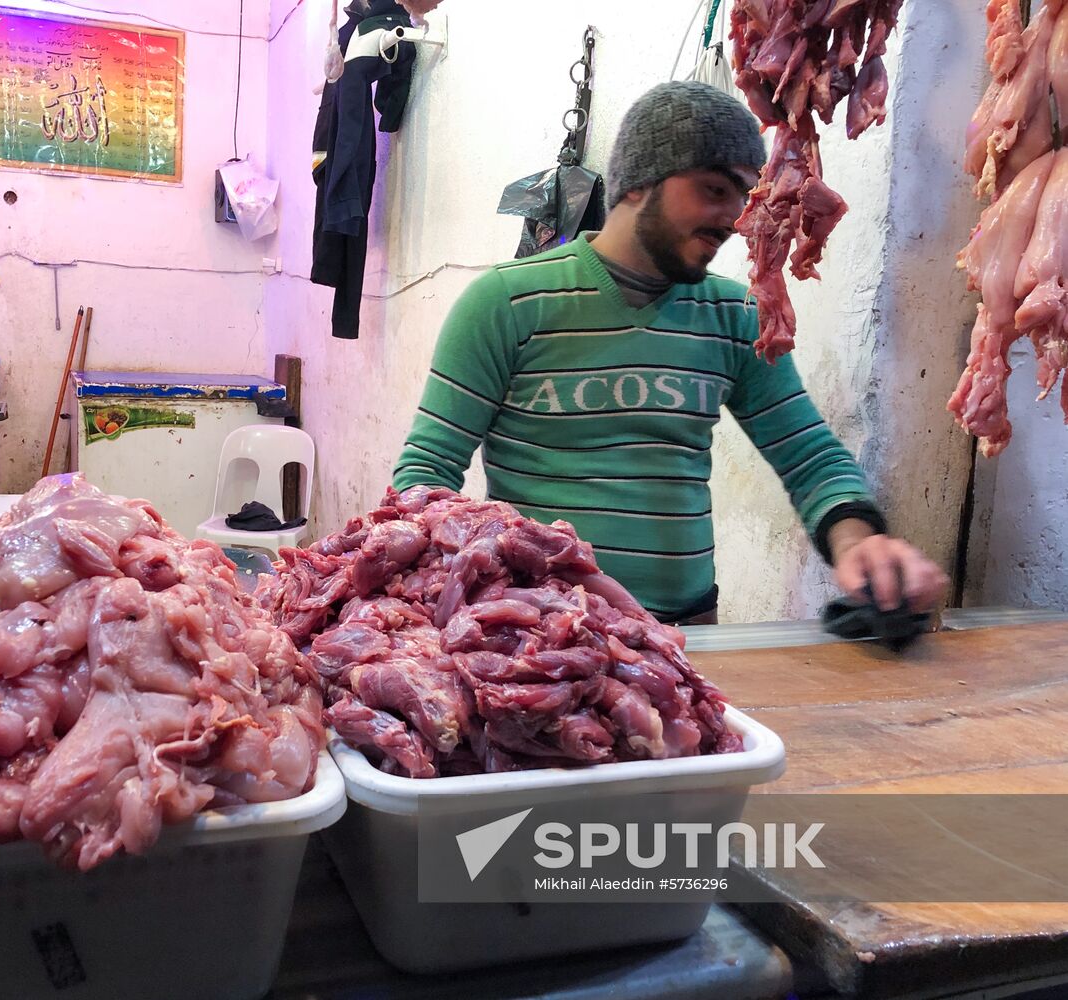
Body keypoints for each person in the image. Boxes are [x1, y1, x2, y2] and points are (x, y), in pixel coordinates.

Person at [392, 81, 948, 625]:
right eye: (714, 189)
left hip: (686, 635)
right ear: (638, 183)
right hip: (542, 640)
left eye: (744, 194)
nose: (736, 218)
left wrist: (859, 545)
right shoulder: (507, 302)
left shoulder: (737, 315)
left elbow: (810, 457)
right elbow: (427, 471)